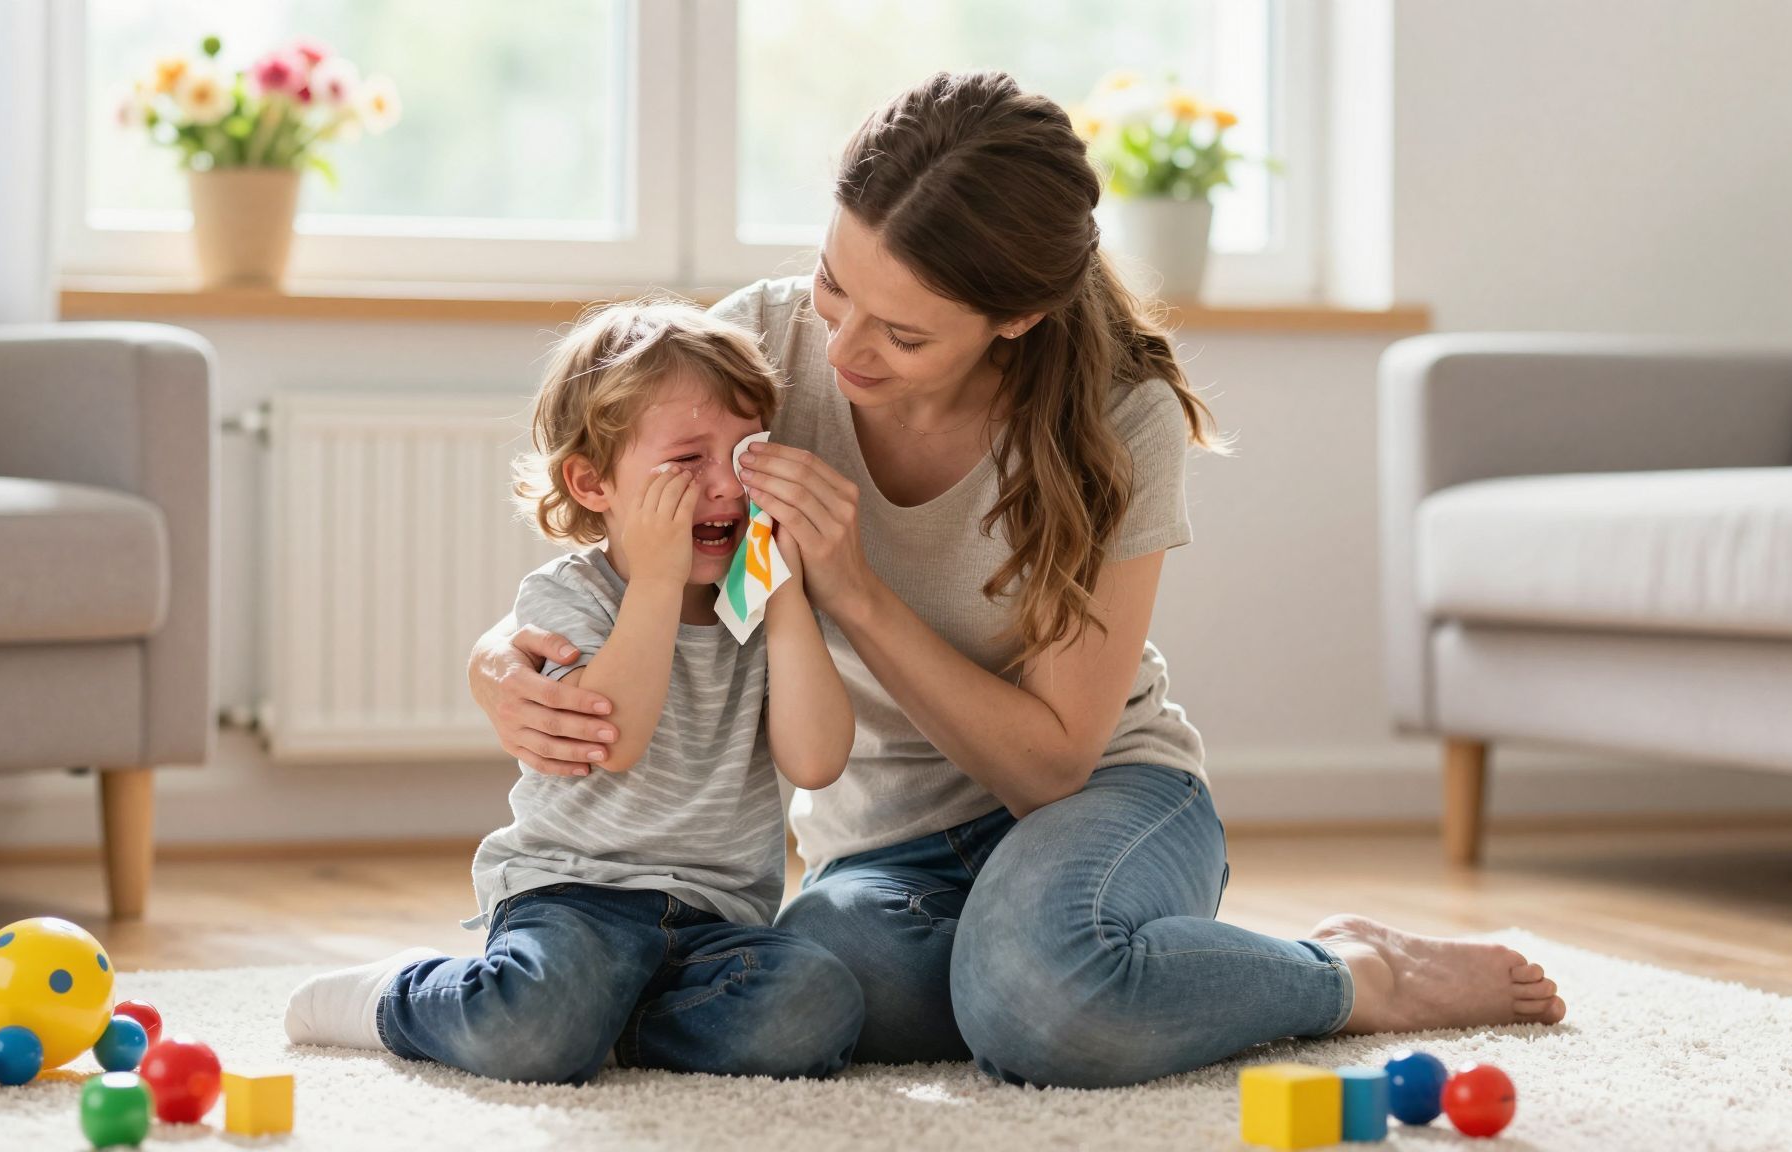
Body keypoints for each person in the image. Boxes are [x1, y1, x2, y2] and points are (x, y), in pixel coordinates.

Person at [469, 72, 1567, 1089]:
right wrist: (495, 666)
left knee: (1041, 1011)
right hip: (882, 849)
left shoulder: (1114, 418)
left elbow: (1051, 766)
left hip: (1103, 801)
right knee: (821, 988)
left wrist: (854, 589)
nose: (843, 348)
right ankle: (1084, 967)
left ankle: (1349, 973)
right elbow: (629, 540)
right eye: (832, 283)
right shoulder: (761, 344)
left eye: (900, 333)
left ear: (1014, 319)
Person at [287, 301, 864, 1083]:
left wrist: (789, 593)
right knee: (528, 1032)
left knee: (818, 1000)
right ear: (593, 483)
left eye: (746, 451)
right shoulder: (569, 597)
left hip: (718, 921)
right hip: (574, 898)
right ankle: (400, 995)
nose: (727, 484)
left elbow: (818, 758)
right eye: (688, 458)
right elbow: (613, 737)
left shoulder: (764, 602)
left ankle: (606, 1028)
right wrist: (658, 579)